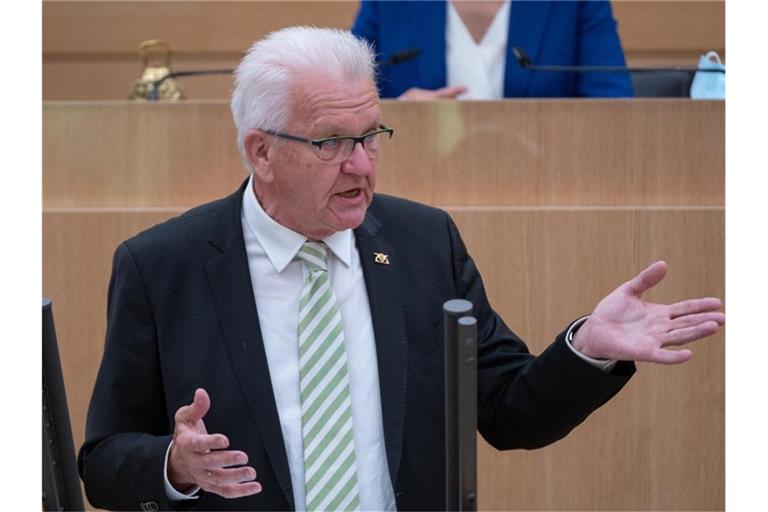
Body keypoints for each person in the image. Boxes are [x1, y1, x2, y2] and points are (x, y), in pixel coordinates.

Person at [78, 27, 722, 512]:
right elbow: (103, 461)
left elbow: (507, 412)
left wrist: (586, 349)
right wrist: (175, 464)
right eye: (331, 142)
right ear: (262, 151)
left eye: (371, 136)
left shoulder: (423, 242)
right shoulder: (163, 266)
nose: (361, 166)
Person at [351, 0, 633, 100]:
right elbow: (346, 93)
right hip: (418, 186)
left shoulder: (576, 3)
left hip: (549, 183)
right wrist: (403, 117)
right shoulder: (387, 2)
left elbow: (613, 107)